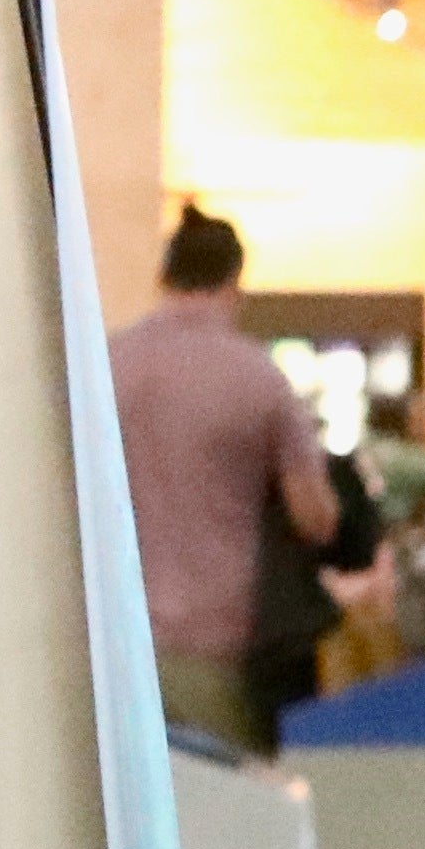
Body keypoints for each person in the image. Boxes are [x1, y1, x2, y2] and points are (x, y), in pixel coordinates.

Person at [108, 206, 338, 757]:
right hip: (219, 652)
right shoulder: (260, 378)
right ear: (236, 281)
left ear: (164, 276)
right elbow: (316, 518)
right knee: (223, 820)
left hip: (113, 646)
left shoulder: (109, 365)